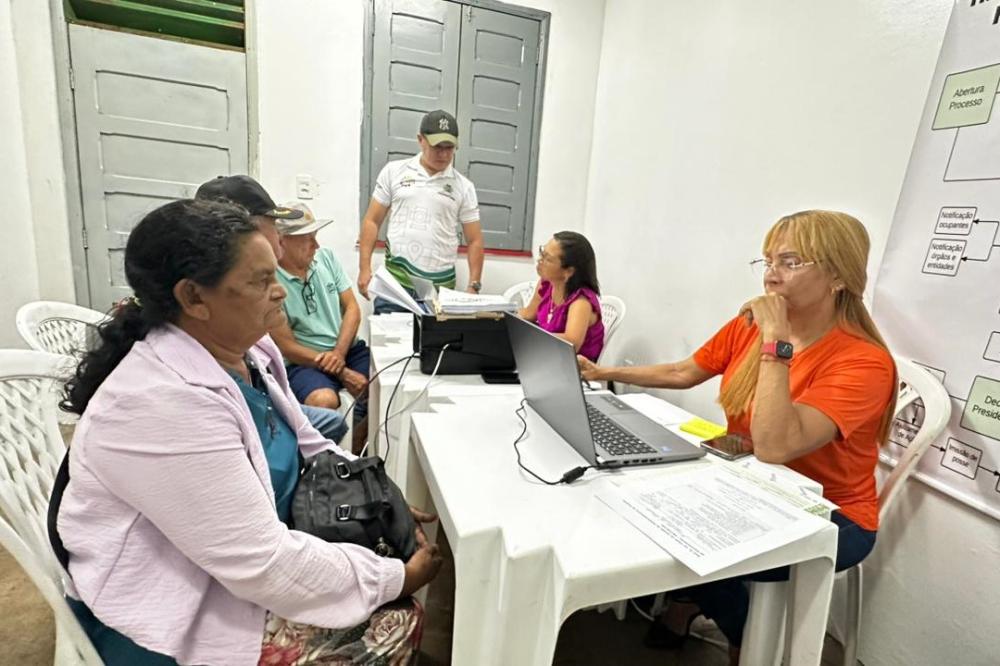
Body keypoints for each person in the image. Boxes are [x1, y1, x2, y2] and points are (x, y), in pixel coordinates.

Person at [56, 199, 442, 665]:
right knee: (396, 620)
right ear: (194, 297)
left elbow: (309, 441)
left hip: (230, 559)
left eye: (273, 272)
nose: (279, 292)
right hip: (172, 604)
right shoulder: (162, 402)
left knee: (375, 564)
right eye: (261, 281)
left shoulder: (247, 353)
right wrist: (396, 578)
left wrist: (379, 496)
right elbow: (264, 563)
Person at [578, 210, 897, 665]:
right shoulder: (750, 326)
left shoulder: (862, 362)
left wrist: (775, 339)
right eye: (767, 260)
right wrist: (600, 371)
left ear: (838, 277)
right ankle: (722, 617)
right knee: (647, 514)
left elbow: (776, 445)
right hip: (747, 484)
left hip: (831, 515)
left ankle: (742, 636)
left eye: (790, 262)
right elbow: (684, 371)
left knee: (696, 550)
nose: (770, 275)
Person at [196, 174, 348, 444]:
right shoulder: (192, 384)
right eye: (262, 279)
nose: (279, 292)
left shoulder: (246, 342)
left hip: (270, 401)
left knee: (331, 425)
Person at [357, 109, 484, 313]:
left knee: (435, 345)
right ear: (420, 140)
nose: (443, 154)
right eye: (437, 147)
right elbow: (372, 221)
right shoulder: (394, 171)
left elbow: (475, 240)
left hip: (439, 291)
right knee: (390, 343)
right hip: (394, 285)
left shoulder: (464, 187)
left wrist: (474, 285)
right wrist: (364, 268)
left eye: (449, 148)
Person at [270, 202, 371, 455]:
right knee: (323, 401)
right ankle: (323, 468)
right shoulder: (272, 281)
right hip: (304, 361)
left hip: (346, 348)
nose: (316, 245)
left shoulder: (326, 258)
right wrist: (341, 371)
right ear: (282, 242)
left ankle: (359, 450)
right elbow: (287, 346)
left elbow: (352, 309)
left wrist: (339, 354)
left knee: (387, 382)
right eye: (308, 239)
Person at [519, 231, 605, 361]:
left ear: (569, 271)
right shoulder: (547, 283)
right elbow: (528, 314)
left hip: (574, 366)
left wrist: (530, 338)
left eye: (547, 258)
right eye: (542, 252)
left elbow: (571, 343)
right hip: (547, 355)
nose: (539, 260)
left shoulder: (581, 301)